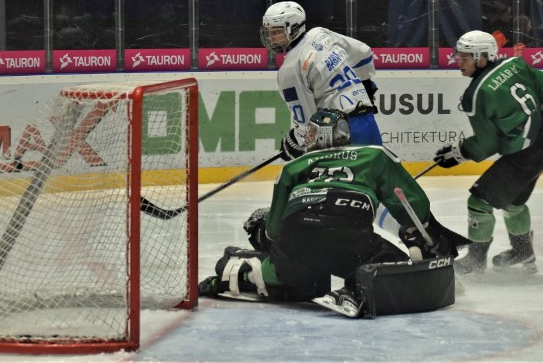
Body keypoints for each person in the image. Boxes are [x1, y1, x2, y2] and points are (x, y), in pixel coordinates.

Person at [199, 109, 471, 318]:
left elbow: (272, 231)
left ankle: (233, 270)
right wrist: (418, 233)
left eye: (313, 133)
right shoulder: (373, 155)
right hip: (350, 239)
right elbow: (415, 204)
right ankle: (354, 287)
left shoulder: (294, 166)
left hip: (296, 240)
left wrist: (272, 243)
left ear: (326, 135)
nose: (308, 139)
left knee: (294, 278)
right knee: (391, 267)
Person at [433, 30, 543, 275]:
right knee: (514, 203)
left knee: (478, 202)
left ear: (481, 57)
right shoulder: (515, 64)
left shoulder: (477, 94)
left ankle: (475, 261)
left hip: (522, 156)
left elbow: (487, 143)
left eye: (465, 57)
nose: (459, 61)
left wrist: (459, 152)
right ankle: (524, 252)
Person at [259, 1, 382, 162]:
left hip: (339, 134)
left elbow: (307, 123)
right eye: (268, 32)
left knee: (339, 186)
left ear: (293, 29)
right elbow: (363, 53)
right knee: (379, 180)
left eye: (276, 32)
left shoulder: (289, 70)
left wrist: (295, 143)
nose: (270, 38)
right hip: (367, 121)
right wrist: (365, 84)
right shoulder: (321, 34)